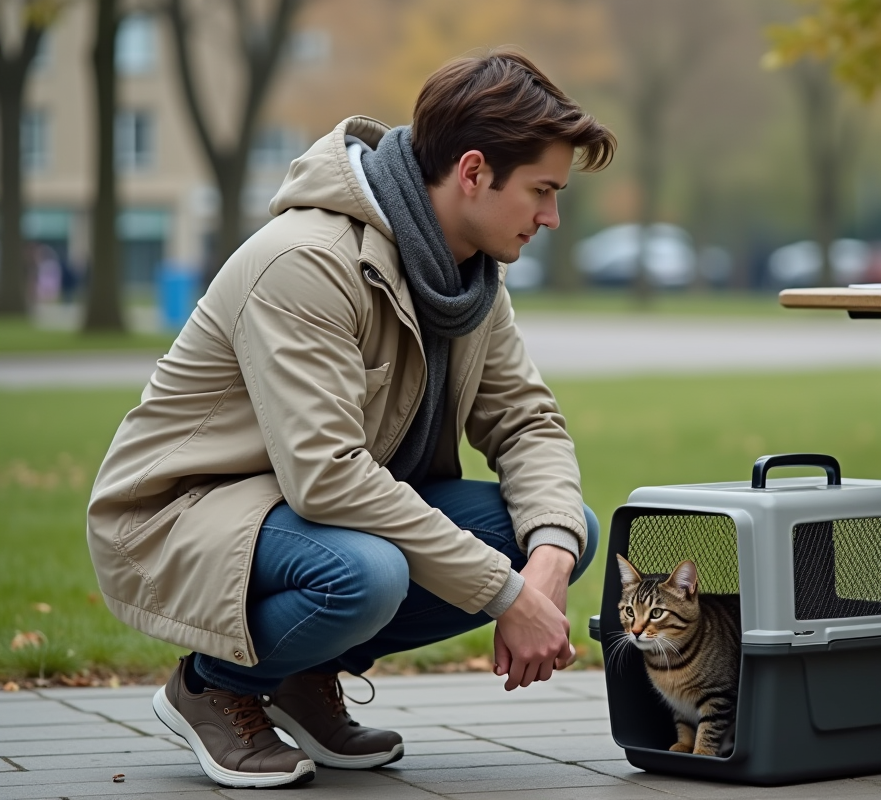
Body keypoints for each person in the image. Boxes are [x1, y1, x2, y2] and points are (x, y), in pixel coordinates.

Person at [86, 50, 615, 789]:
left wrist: (547, 566)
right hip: (187, 514)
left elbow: (527, 424)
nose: (552, 218)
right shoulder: (305, 261)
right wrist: (504, 593)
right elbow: (327, 477)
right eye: (543, 191)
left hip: (314, 509)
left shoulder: (471, 281)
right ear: (472, 173)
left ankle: (302, 676)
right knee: (364, 575)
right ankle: (210, 687)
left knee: (564, 528)